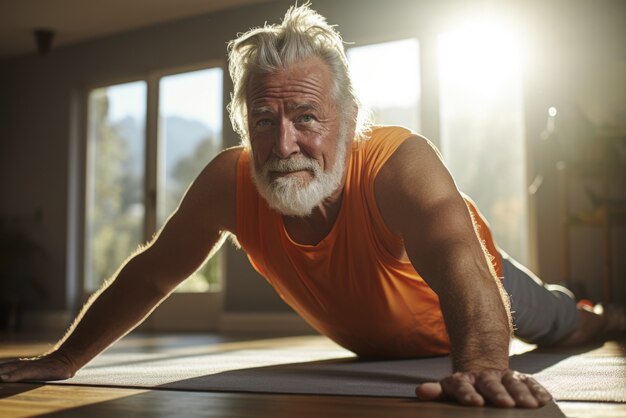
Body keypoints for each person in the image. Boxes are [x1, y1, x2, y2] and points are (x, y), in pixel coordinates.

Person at [1, 4, 623, 409]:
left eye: (306, 118)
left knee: (566, 322)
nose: (284, 144)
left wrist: (484, 366)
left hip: (488, 292)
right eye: (264, 120)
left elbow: (461, 259)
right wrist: (66, 358)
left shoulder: (397, 163)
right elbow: (154, 270)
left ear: (350, 121)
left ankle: (605, 317)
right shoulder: (231, 181)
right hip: (379, 339)